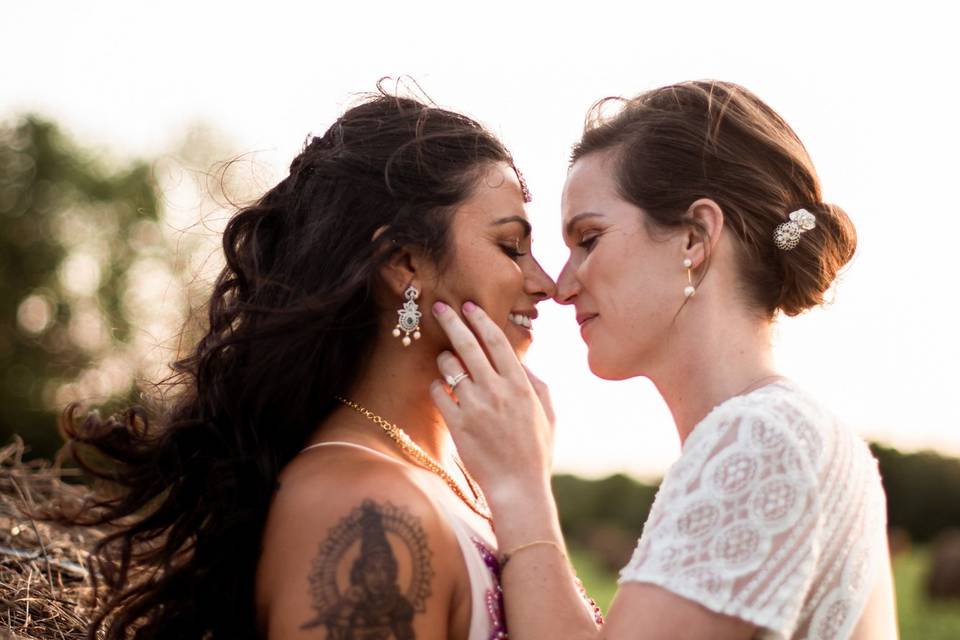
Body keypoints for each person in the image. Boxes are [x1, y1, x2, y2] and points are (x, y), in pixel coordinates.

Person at [57, 84, 557, 639]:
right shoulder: (360, 506)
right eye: (512, 247)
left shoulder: (465, 481)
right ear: (405, 263)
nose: (547, 284)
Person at [428, 80, 899, 639]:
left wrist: (520, 487)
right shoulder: (779, 431)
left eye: (589, 238)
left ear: (695, 239)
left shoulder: (764, 439)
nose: (562, 284)